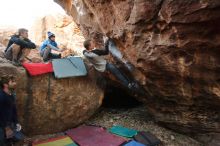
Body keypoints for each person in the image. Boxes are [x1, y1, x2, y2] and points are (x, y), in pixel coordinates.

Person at [0, 75, 23, 146]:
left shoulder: (12, 95)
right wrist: (6, 127)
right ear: (5, 85)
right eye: (12, 82)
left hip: (10, 123)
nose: (15, 83)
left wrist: (16, 122)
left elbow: (13, 109)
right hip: (2, 125)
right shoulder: (1, 96)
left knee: (18, 138)